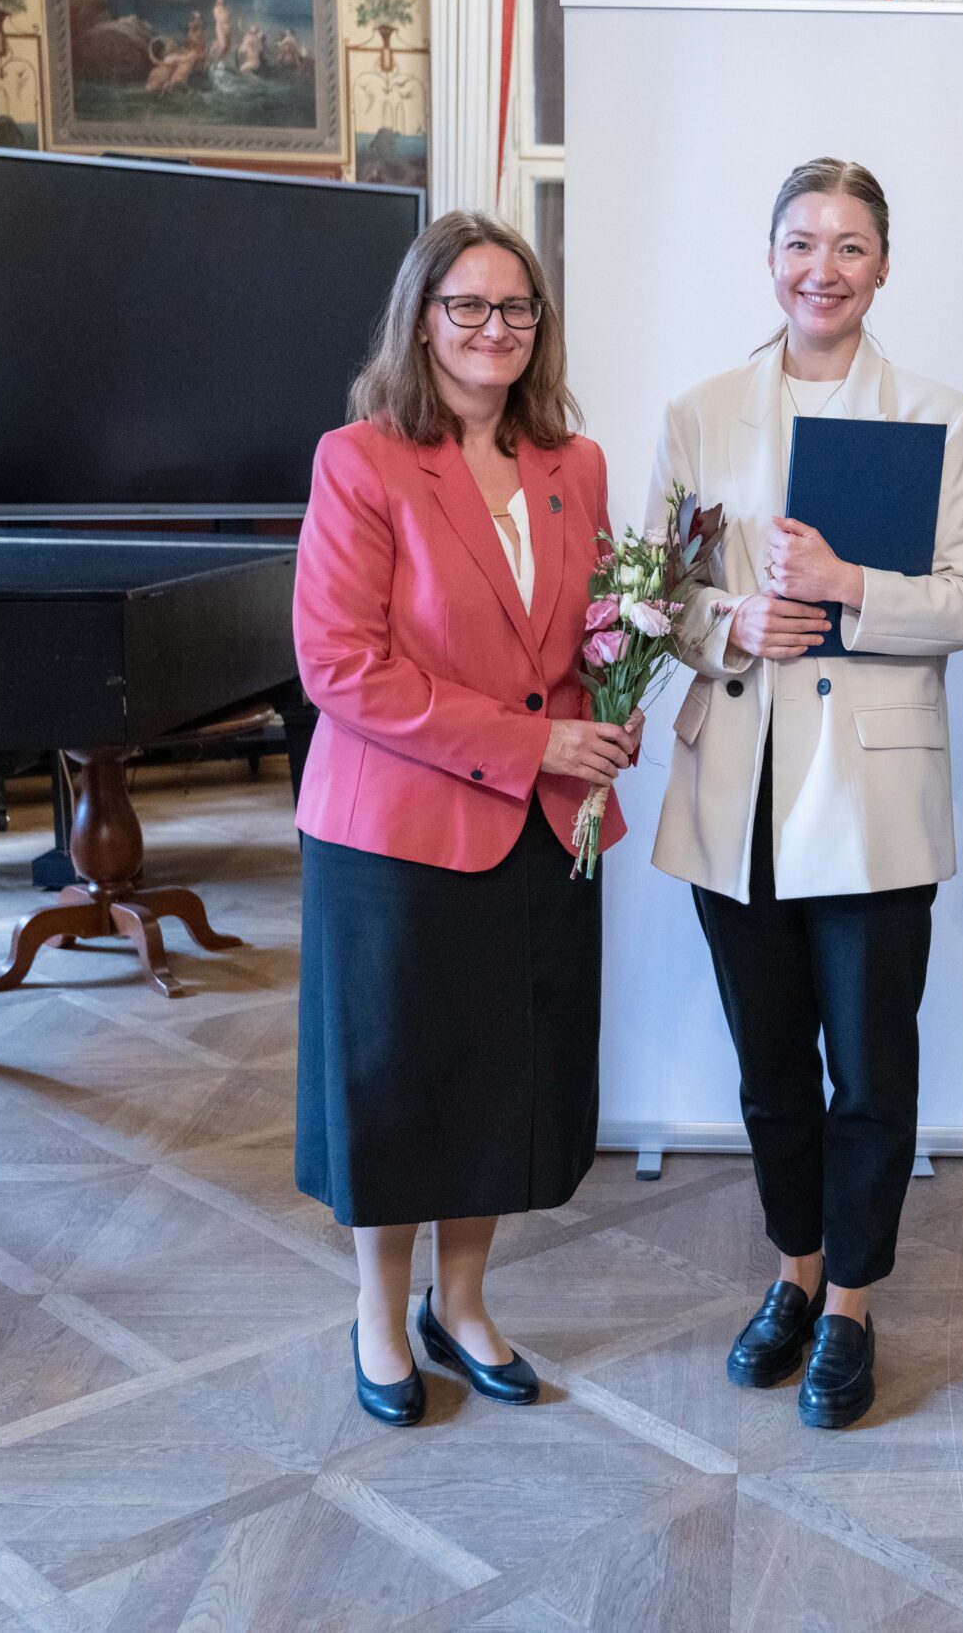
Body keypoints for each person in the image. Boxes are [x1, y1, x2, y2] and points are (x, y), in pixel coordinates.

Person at [651, 158, 963, 1429]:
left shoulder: (943, 420)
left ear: (883, 266)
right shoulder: (699, 413)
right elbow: (653, 597)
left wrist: (853, 586)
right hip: (736, 785)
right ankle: (792, 1274)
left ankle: (852, 1302)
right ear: (770, 259)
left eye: (850, 246)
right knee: (769, 1070)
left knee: (868, 1071)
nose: (823, 268)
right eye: (801, 242)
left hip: (868, 792)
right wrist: (731, 621)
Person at [292, 212, 641, 1427]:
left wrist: (614, 711)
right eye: (469, 306)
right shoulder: (362, 460)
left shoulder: (574, 464)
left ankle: (465, 1304)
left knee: (502, 1082)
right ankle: (379, 1318)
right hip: (394, 835)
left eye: (517, 308)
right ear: (423, 320)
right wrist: (534, 742)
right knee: (398, 1086)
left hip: (542, 831)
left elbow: (595, 635)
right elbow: (342, 667)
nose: (496, 328)